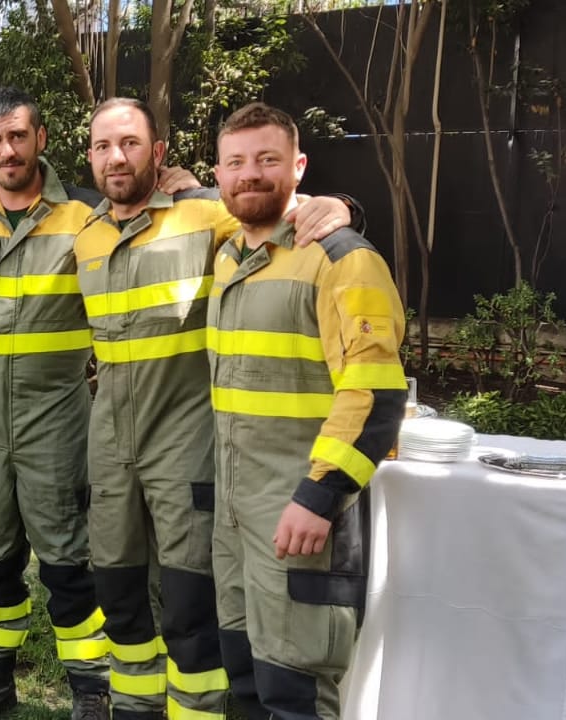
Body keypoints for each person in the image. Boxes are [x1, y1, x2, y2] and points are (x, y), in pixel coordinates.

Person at [73, 98, 356, 720]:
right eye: (103, 146)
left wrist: (335, 207)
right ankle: (133, 706)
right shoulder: (83, 231)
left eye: (131, 144)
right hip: (110, 444)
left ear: (159, 152)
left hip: (187, 440)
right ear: (90, 156)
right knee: (117, 589)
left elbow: (274, 217)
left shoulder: (207, 214)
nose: (116, 157)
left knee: (189, 600)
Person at [205, 102, 406, 719]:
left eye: (268, 160)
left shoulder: (343, 258)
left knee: (296, 692)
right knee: (244, 678)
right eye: (235, 162)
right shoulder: (227, 257)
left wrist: (319, 495)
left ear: (299, 167)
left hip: (301, 514)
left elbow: (374, 393)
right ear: (218, 175)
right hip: (235, 518)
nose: (250, 175)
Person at [0, 86, 110, 720]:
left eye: (17, 136)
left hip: (57, 418)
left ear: (39, 139)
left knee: (68, 560)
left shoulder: (88, 217)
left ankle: (91, 689)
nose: (6, 150)